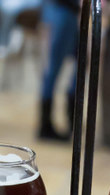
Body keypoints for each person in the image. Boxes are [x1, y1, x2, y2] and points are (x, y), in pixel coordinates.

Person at [37, 0, 80, 141]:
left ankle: (72, 122)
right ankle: (45, 125)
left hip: (68, 12)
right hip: (60, 11)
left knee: (79, 65)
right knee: (52, 69)